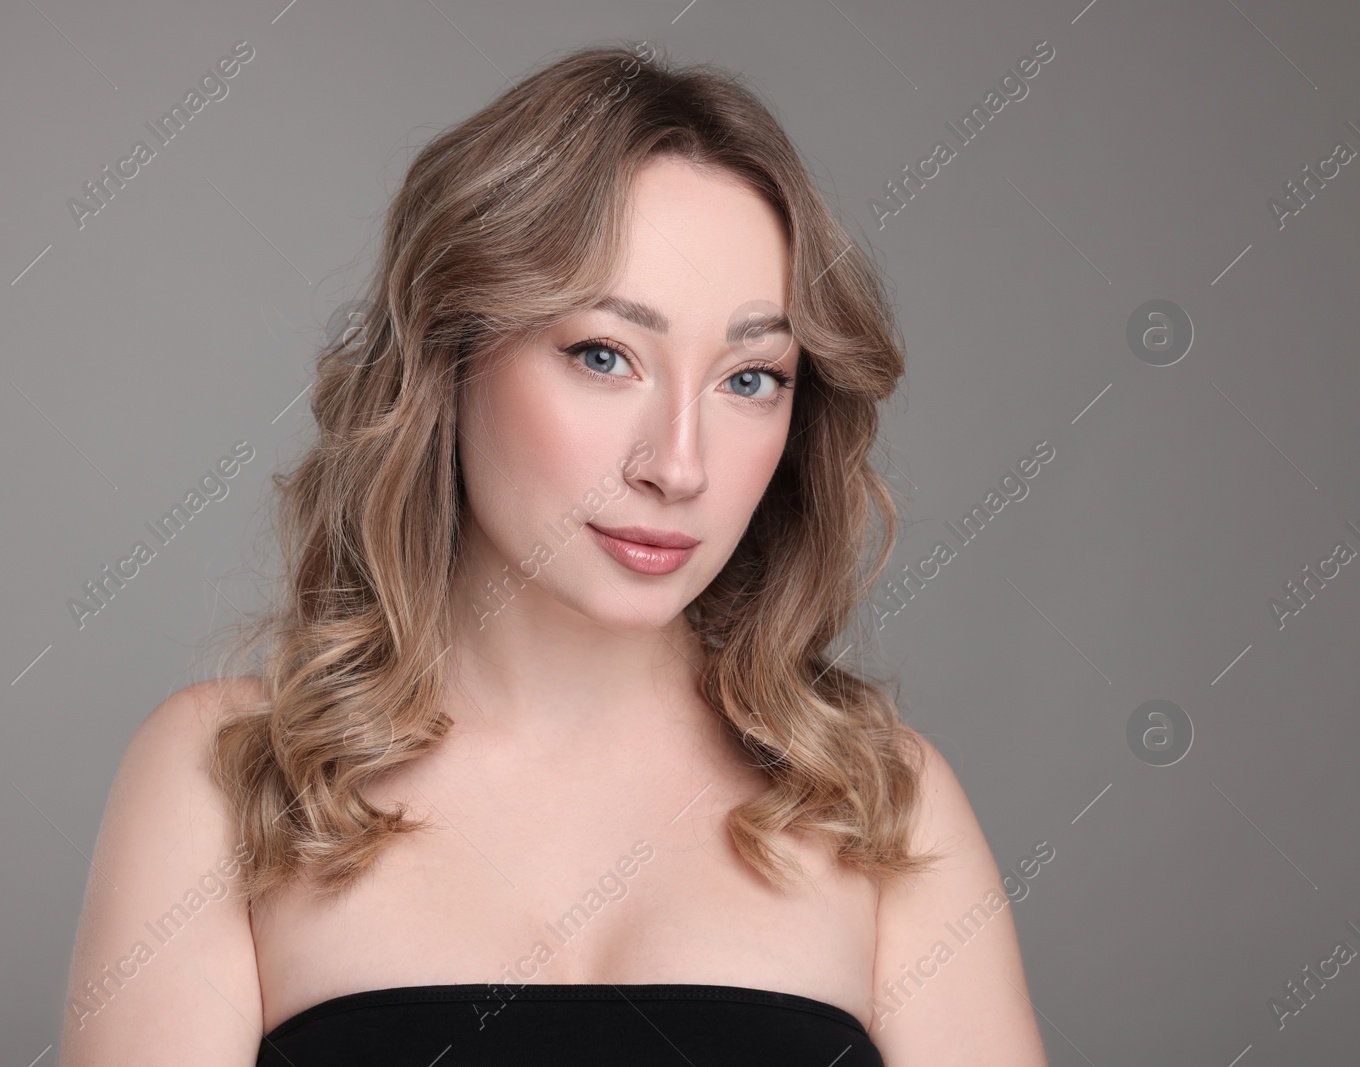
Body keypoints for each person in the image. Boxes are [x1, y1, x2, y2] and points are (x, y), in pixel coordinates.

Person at [59, 41, 1049, 1066]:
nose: (678, 464)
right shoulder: (230, 777)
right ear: (451, 357)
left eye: (750, 376)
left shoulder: (877, 797)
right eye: (603, 355)